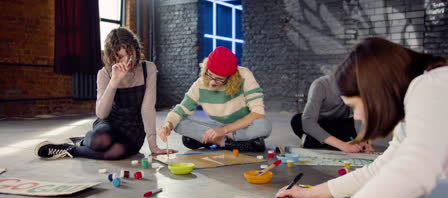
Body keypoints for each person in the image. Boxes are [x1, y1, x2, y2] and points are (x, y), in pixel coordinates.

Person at [269, 37, 448, 198]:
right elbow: (380, 170)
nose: (356, 117)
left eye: (354, 106)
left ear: (375, 92)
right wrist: (310, 194)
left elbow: (409, 175)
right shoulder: (412, 112)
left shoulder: (432, 86)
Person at [35, 27, 175, 160]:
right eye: (120, 57)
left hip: (133, 128)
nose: (127, 61)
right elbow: (102, 114)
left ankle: (70, 149)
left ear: (135, 48)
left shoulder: (148, 69)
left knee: (115, 153)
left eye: (129, 54)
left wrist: (153, 146)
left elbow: (147, 108)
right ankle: (83, 141)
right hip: (110, 123)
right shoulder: (104, 73)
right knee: (100, 140)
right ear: (112, 57)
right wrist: (114, 81)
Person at [158, 46, 272, 152]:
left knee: (263, 125)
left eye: (219, 79)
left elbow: (258, 113)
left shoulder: (245, 76)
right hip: (219, 128)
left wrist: (224, 131)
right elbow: (181, 109)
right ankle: (229, 143)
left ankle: (216, 141)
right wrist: (167, 126)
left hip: (243, 127)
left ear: (231, 77)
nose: (212, 82)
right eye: (210, 75)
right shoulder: (200, 84)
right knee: (179, 124)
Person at [291, 75, 373, 153]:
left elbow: (360, 118)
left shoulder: (356, 88)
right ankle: (340, 143)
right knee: (297, 120)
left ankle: (311, 141)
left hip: (338, 125)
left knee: (366, 121)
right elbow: (308, 122)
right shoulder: (320, 85)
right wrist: (342, 145)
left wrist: (363, 141)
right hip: (319, 125)